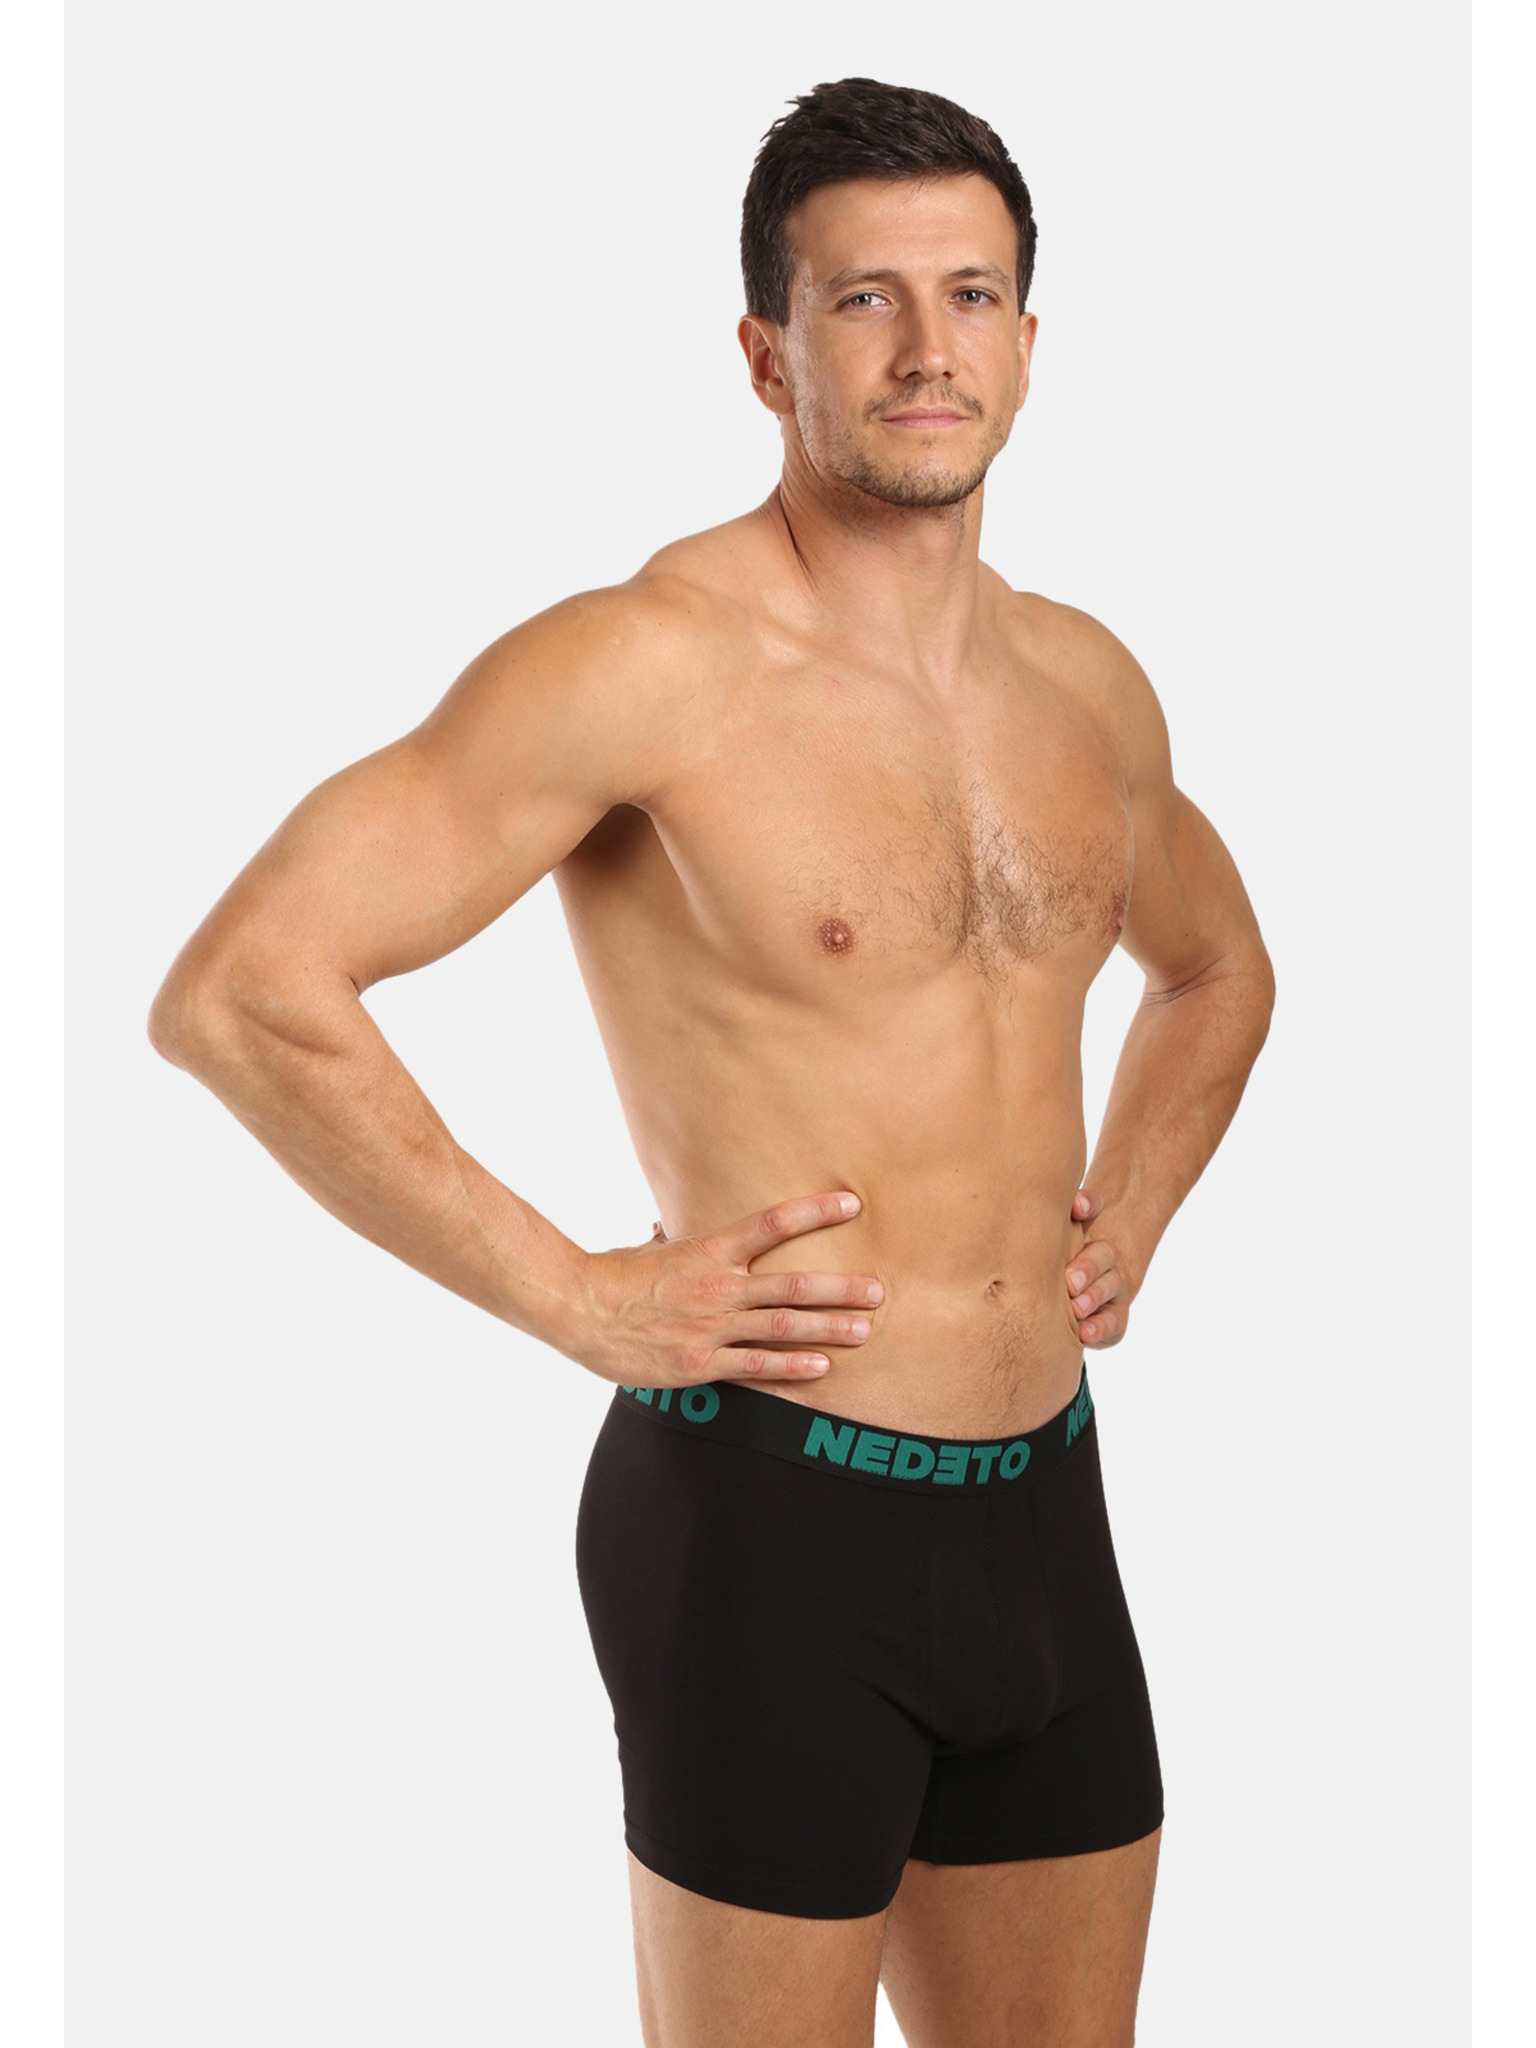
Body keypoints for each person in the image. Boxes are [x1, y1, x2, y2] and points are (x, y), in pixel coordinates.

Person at [148, 74, 1274, 2048]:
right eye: (863, 301)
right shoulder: (647, 662)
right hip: (773, 1523)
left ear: (1028, 339)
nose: (927, 349)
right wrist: (575, 1294)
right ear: (767, 353)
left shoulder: (1086, 686)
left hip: (1047, 1509)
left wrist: (1138, 1207)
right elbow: (243, 989)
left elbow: (1218, 969)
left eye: (971, 294)